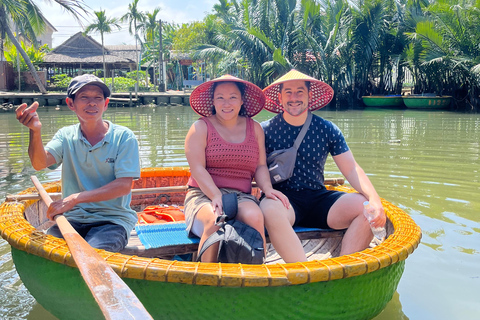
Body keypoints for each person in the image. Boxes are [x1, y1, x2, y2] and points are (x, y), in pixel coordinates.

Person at [260, 69, 386, 262]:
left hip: (319, 199)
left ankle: (343, 271)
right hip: (283, 201)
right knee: (268, 209)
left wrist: (375, 199)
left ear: (310, 96)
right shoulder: (265, 130)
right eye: (288, 92)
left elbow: (351, 169)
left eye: (300, 92)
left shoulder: (327, 129)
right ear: (280, 97)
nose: (294, 98)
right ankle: (304, 273)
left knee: (366, 207)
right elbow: (254, 168)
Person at [15, 74, 140, 252]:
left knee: (92, 255)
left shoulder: (124, 137)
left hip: (112, 221)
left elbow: (123, 187)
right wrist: (35, 131)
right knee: (48, 253)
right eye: (84, 97)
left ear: (105, 104)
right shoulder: (65, 135)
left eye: (98, 98)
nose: (92, 103)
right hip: (71, 219)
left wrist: (75, 198)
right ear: (71, 104)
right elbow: (39, 163)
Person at [184, 74, 289, 263]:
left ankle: (256, 275)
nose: (227, 103)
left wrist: (268, 189)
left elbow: (261, 166)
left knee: (255, 217)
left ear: (242, 101)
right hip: (204, 194)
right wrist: (216, 195)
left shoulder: (255, 128)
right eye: (220, 98)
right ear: (213, 102)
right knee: (215, 221)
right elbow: (197, 168)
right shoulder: (200, 127)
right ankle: (205, 281)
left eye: (233, 97)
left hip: (241, 196)